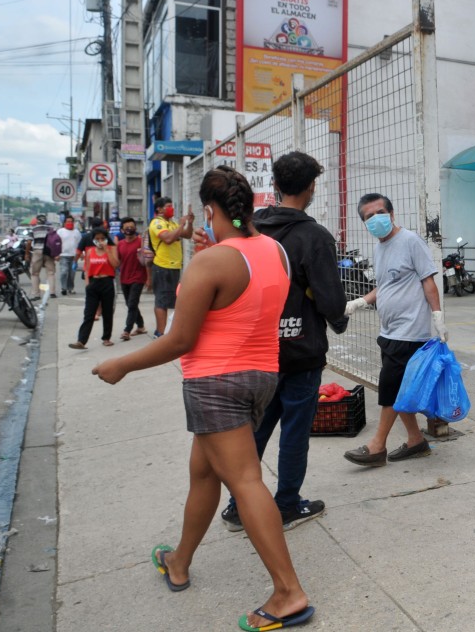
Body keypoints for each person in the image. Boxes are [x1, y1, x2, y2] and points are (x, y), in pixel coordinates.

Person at [91, 167, 314, 631]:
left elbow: (179, 341)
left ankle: (288, 593)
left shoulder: (210, 264)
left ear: (210, 211)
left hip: (216, 384)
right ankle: (179, 560)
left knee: (246, 481)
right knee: (203, 472)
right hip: (261, 377)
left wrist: (121, 365)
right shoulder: (274, 250)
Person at [219, 151, 347, 531]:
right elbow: (331, 301)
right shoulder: (315, 237)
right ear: (311, 187)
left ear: (274, 185)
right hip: (301, 351)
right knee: (294, 434)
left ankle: (238, 506)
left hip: (255, 350)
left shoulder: (248, 229)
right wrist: (336, 317)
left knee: (253, 431)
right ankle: (287, 504)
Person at [341, 193, 448, 467]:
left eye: (379, 212)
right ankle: (415, 440)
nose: (375, 218)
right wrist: (360, 301)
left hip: (410, 332)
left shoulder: (410, 241)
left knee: (389, 387)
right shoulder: (379, 249)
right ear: (364, 223)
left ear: (392, 213)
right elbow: (385, 286)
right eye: (368, 216)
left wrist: (437, 315)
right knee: (399, 388)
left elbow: (428, 280)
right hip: (389, 331)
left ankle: (377, 447)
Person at [149, 196, 194, 338]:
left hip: (173, 266)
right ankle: (160, 333)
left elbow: (186, 235)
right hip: (162, 266)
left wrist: (189, 223)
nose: (171, 209)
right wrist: (181, 225)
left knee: (171, 299)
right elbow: (168, 239)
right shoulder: (157, 223)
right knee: (161, 300)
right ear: (159, 209)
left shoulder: (172, 223)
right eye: (168, 206)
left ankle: (166, 331)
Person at [68, 227, 118, 350]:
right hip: (93, 283)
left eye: (102, 238)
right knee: (89, 313)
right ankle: (81, 341)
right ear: (93, 240)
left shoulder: (112, 249)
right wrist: (88, 284)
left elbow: (116, 264)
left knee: (107, 312)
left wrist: (107, 250)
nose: (100, 241)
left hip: (107, 282)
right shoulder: (90, 251)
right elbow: (87, 269)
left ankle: (106, 338)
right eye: (97, 239)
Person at [115, 217, 149, 341]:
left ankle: (126, 330)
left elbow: (147, 261)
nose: (129, 229)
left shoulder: (141, 242)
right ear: (122, 230)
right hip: (124, 278)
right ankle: (140, 326)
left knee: (132, 304)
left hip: (138, 278)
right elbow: (117, 262)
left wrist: (149, 278)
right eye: (126, 228)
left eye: (132, 227)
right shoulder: (120, 244)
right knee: (130, 304)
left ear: (135, 228)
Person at [27, 214, 57, 299]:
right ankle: (52, 292)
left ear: (37, 220)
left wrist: (27, 254)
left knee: (35, 274)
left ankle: (36, 294)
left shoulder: (33, 229)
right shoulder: (51, 229)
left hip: (37, 251)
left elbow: (29, 242)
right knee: (51, 273)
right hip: (49, 252)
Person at [57, 215, 81, 296]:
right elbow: (56, 244)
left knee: (72, 274)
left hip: (74, 256)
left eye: (71, 221)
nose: (70, 223)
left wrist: (80, 254)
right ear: (64, 223)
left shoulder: (77, 232)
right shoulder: (60, 231)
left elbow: (80, 244)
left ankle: (70, 288)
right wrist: (56, 254)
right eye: (68, 221)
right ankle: (63, 288)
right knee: (64, 272)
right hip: (63, 255)